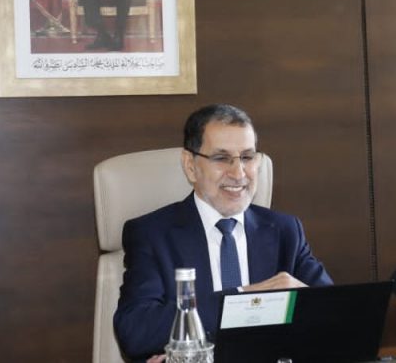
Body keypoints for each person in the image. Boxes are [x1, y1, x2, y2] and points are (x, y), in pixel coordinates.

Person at [113, 104, 333, 362]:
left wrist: (308, 306)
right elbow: (135, 330)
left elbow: (335, 316)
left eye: (247, 157)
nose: (238, 173)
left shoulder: (285, 231)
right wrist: (243, 299)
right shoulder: (153, 234)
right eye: (221, 158)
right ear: (190, 165)